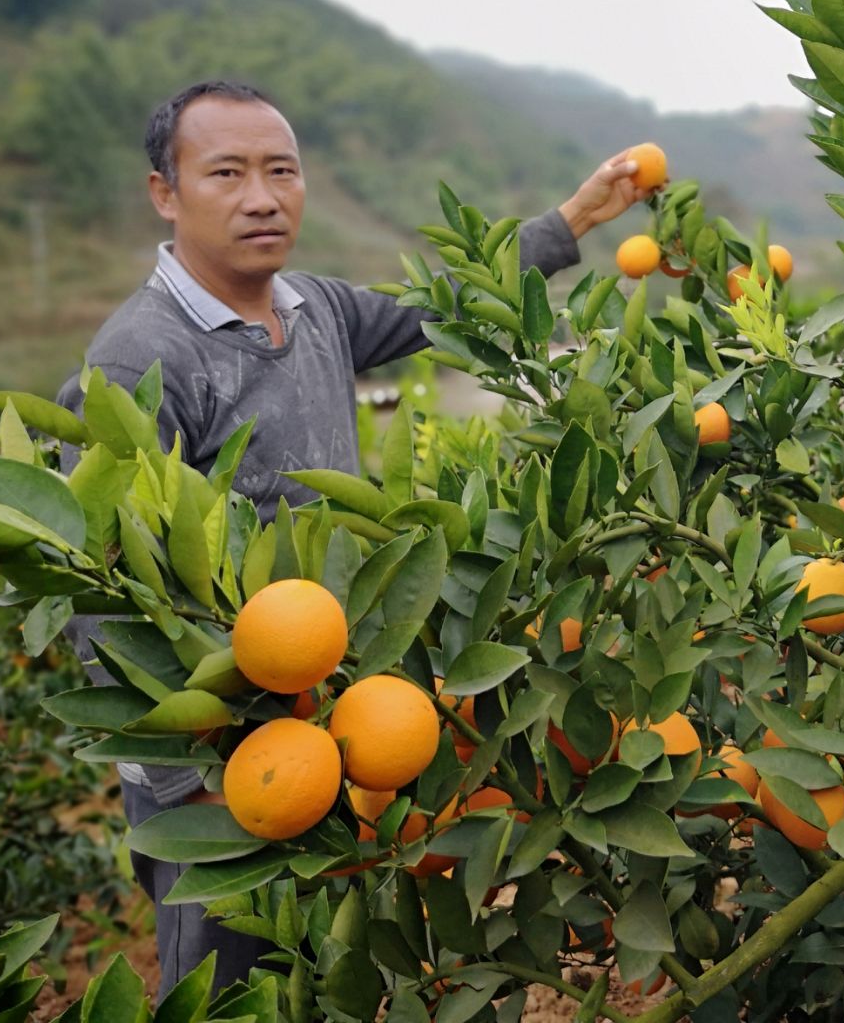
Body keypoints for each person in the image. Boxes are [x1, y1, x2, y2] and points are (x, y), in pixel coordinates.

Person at [54, 78, 647, 994]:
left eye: (281, 170)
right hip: (227, 756)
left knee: (324, 973)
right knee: (227, 986)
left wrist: (573, 219)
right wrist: (193, 780)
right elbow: (100, 591)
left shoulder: (314, 308)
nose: (262, 197)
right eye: (227, 173)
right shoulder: (139, 358)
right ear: (165, 193)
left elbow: (439, 305)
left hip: (327, 717)